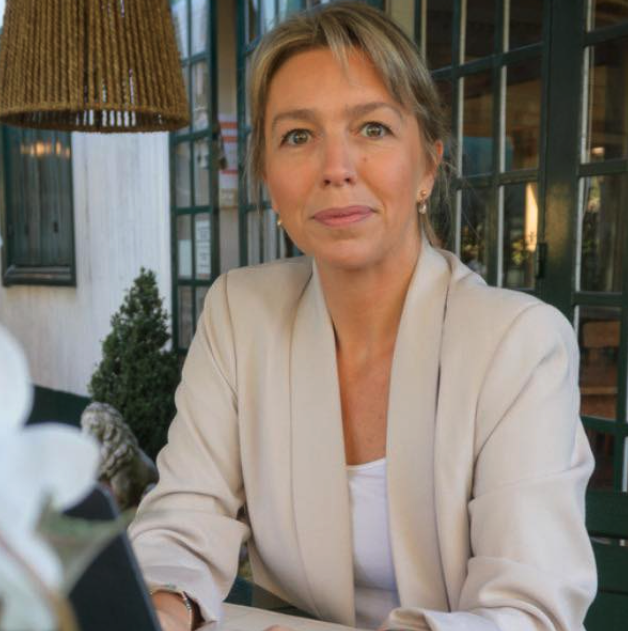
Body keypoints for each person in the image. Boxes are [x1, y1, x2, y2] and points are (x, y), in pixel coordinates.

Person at [128, 3, 597, 631]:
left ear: (428, 164)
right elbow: (183, 519)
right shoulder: (240, 313)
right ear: (267, 176)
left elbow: (530, 612)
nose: (335, 169)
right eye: (298, 136)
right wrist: (164, 606)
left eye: (372, 128)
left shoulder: (518, 343)